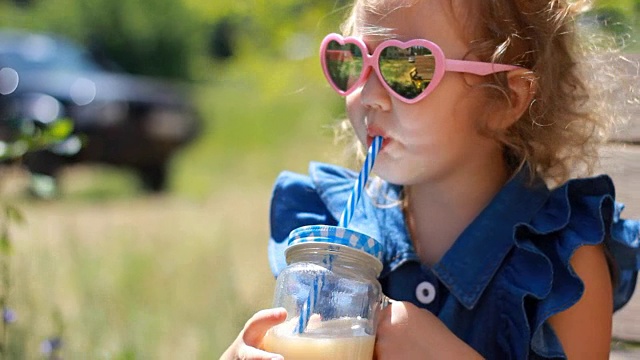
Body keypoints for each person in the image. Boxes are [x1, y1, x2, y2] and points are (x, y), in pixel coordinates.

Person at [222, 0, 640, 358]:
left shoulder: (564, 262)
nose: (368, 96)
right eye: (352, 60)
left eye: (406, 67)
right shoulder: (334, 234)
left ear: (506, 98)